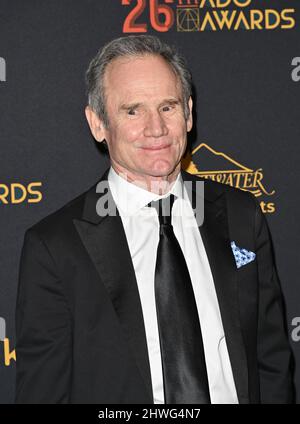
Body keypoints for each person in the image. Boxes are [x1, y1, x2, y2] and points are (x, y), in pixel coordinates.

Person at [15, 35, 294, 404]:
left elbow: (270, 361)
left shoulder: (242, 215)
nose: (156, 128)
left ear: (189, 113)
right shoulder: (55, 247)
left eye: (168, 107)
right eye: (133, 111)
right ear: (98, 123)